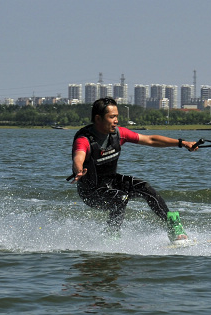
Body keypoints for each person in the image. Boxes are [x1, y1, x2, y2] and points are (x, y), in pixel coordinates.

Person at [71, 97, 198, 241]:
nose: (116, 120)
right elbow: (78, 156)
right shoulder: (84, 139)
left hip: (111, 182)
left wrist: (182, 143)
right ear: (98, 118)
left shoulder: (118, 134)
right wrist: (78, 170)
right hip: (91, 191)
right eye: (112, 117)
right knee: (120, 198)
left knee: (145, 188)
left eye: (117, 116)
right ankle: (112, 236)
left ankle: (173, 227)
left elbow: (151, 140)